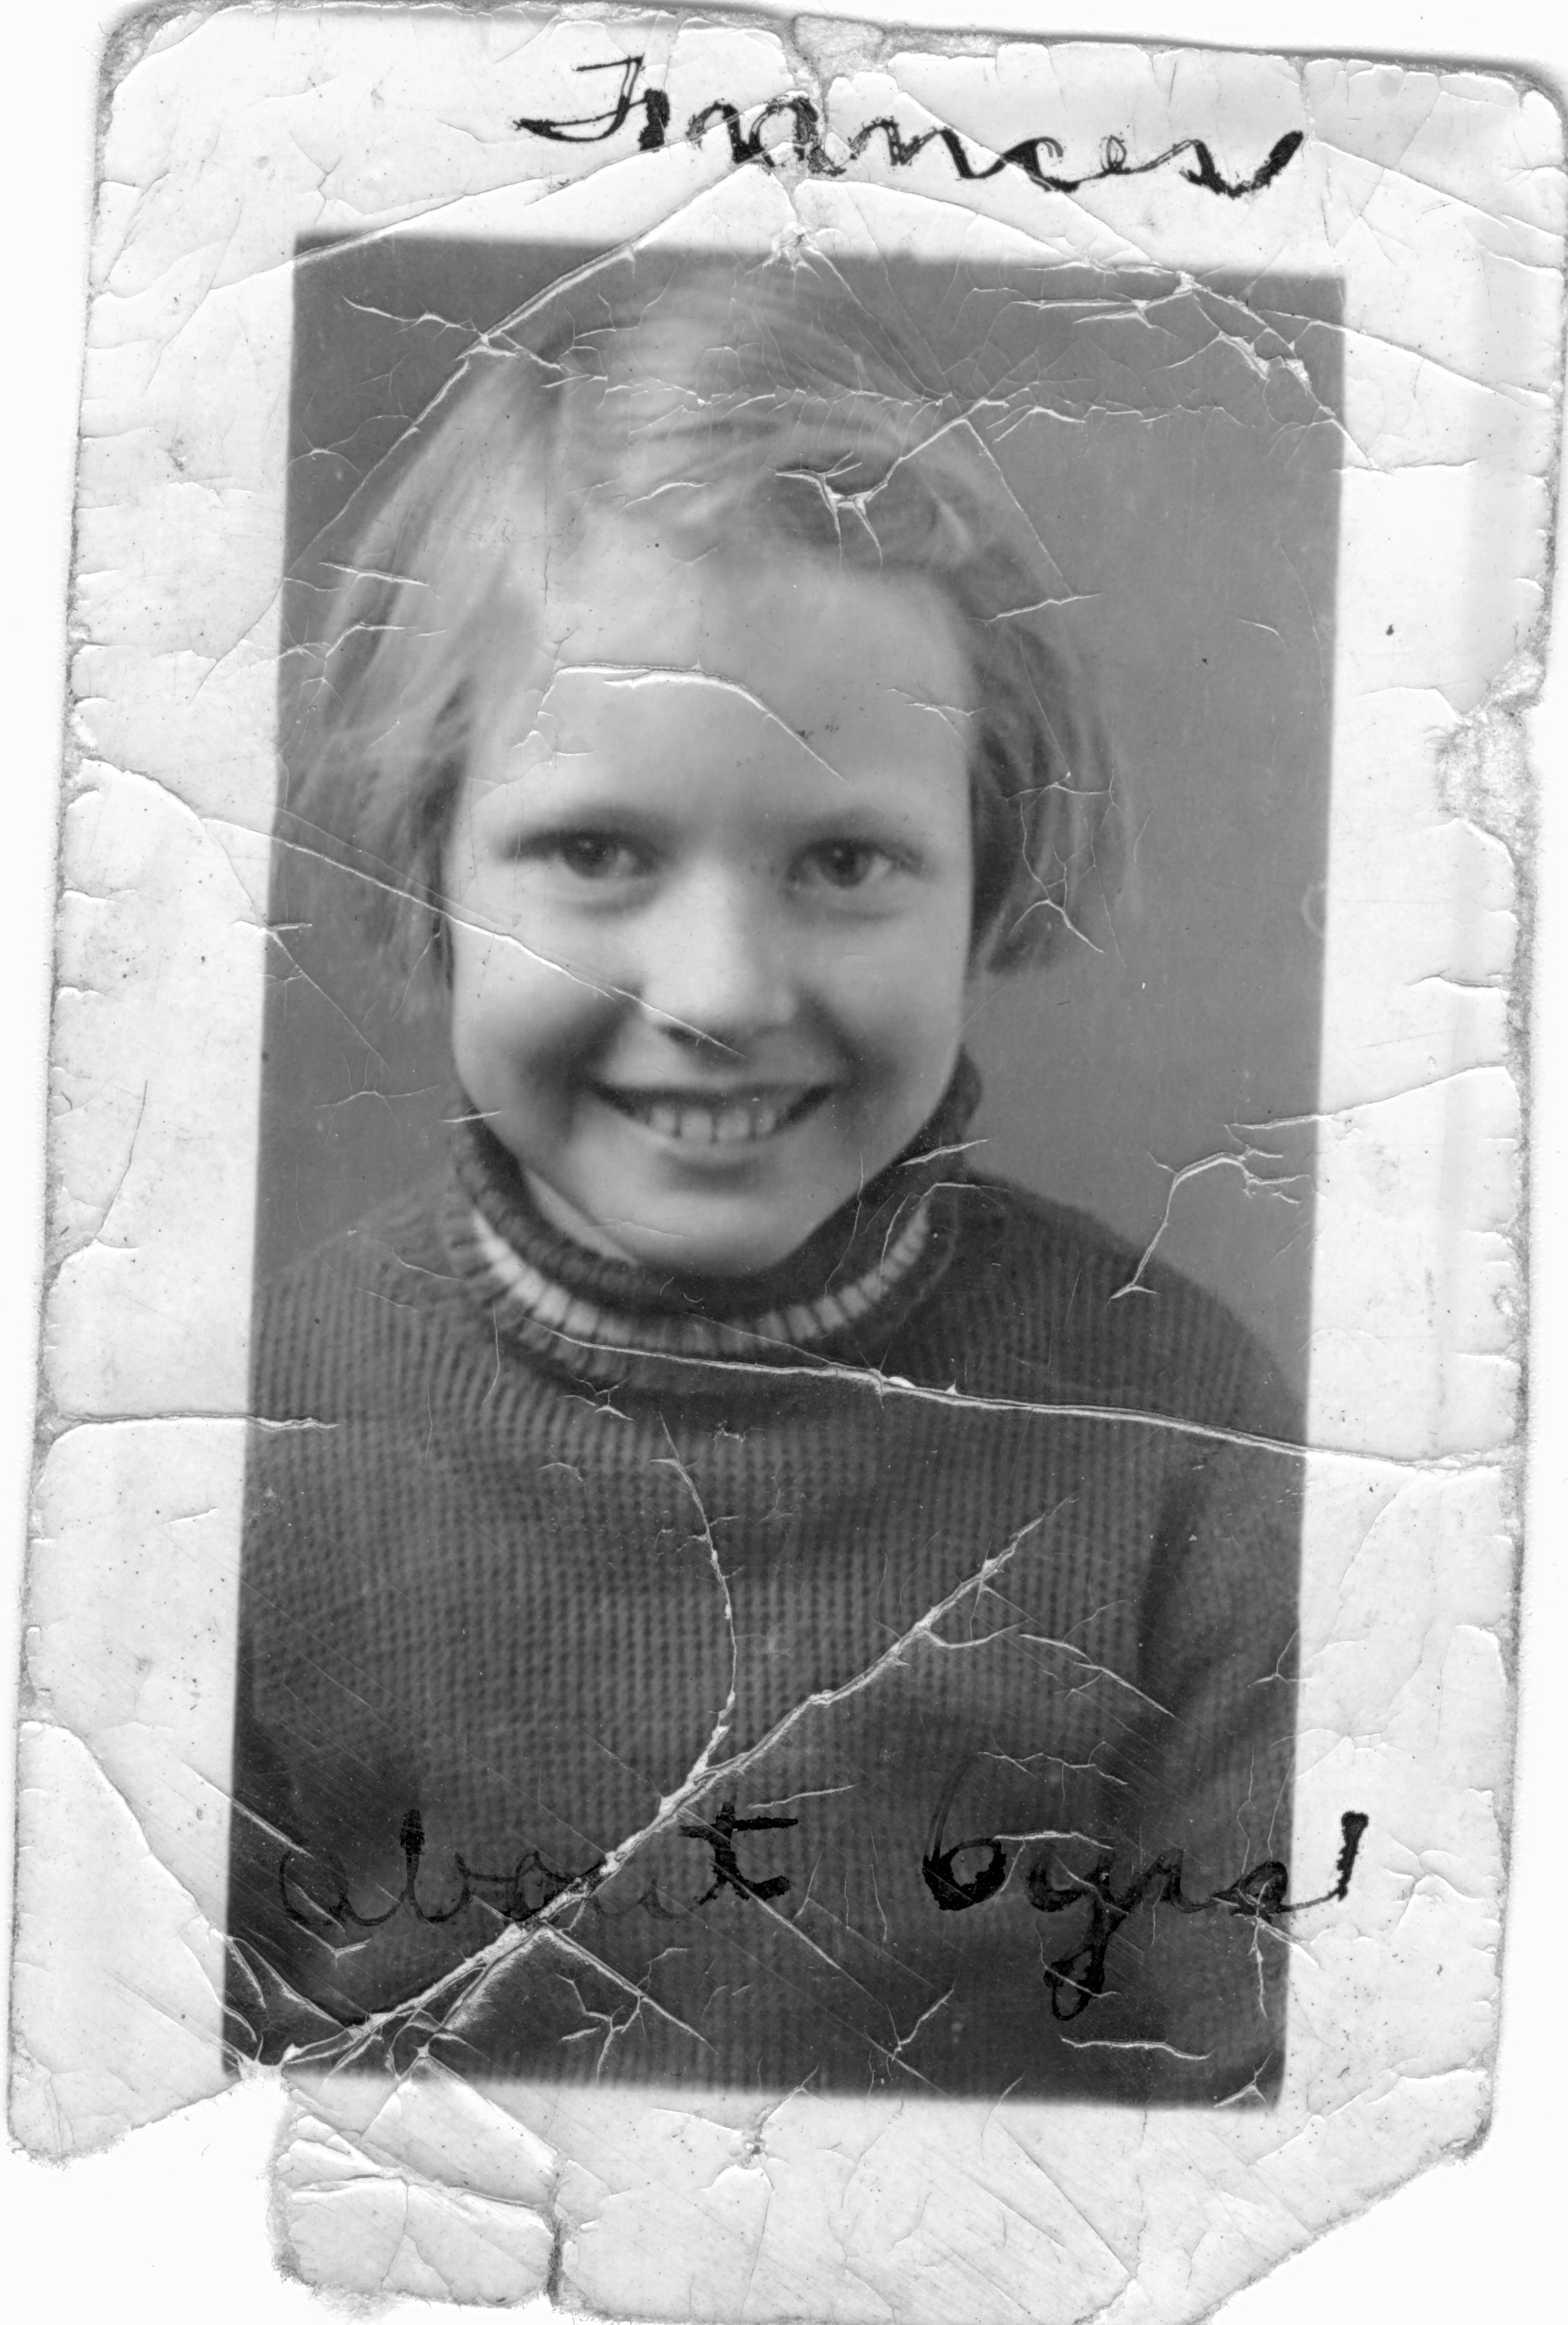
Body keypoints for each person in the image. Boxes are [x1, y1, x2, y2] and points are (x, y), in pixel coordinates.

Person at [226, 253, 1302, 2103]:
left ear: (988, 869)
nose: (718, 994)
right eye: (594, 851)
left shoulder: (1182, 1447)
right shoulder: (239, 1443)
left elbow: (1270, 2144)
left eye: (841, 863)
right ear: (426, 862)